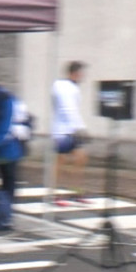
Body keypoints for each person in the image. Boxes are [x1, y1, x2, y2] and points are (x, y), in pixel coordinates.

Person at [52, 61, 90, 206]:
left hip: (73, 131)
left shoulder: (73, 88)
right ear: (74, 73)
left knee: (81, 159)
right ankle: (55, 194)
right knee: (60, 162)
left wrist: (80, 127)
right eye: (81, 73)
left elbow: (74, 110)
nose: (82, 76)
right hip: (62, 131)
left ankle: (77, 191)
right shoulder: (62, 87)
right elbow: (67, 109)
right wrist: (79, 128)